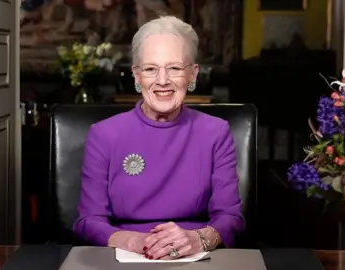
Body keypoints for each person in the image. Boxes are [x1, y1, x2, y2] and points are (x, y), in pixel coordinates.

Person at [73, 15, 245, 260]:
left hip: (195, 259)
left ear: (193, 75)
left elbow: (231, 218)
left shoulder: (216, 132)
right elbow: (88, 221)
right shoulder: (103, 134)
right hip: (123, 257)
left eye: (174, 68)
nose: (162, 81)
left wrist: (199, 239)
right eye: (151, 69)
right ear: (136, 75)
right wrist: (134, 241)